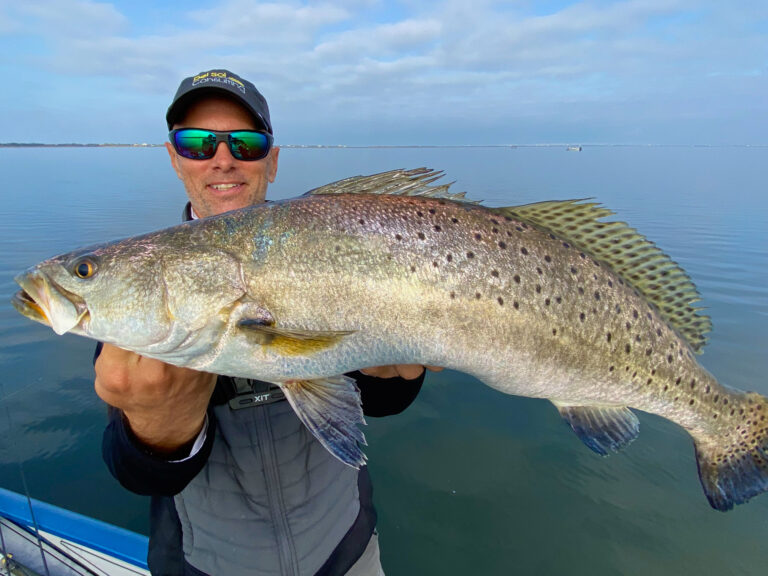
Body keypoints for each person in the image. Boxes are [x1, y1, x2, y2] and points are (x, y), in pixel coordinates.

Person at [94, 69, 437, 576]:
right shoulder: (143, 279)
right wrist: (156, 434)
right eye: (197, 143)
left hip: (346, 551)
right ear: (175, 158)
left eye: (247, 144)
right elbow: (136, 472)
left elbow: (378, 398)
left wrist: (397, 375)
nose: (223, 158)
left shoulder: (338, 242)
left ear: (272, 163)